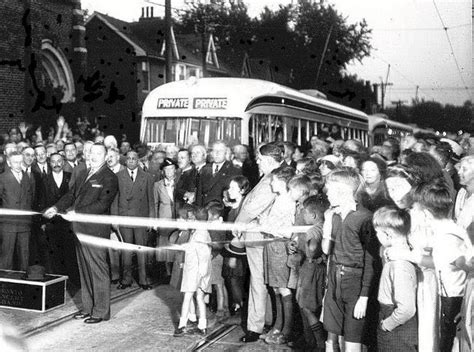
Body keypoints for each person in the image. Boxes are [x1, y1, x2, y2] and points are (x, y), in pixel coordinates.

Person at [386, 180, 472, 352]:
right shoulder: (443, 230)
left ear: (426, 213)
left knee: (445, 340)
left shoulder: (447, 234)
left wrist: (404, 254)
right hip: (447, 293)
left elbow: (437, 261)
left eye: (416, 208)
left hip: (451, 296)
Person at [44, 143, 118, 324]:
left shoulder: (109, 177)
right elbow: (71, 195)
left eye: (98, 153)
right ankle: (88, 308)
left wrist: (77, 213)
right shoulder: (85, 173)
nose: (93, 156)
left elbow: (102, 204)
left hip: (95, 231)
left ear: (106, 156)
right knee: (84, 270)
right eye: (91, 153)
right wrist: (56, 207)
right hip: (79, 229)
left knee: (98, 270)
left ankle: (100, 312)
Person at [322, 168, 380, 352]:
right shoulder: (336, 216)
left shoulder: (365, 218)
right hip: (335, 277)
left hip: (355, 282)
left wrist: (363, 296)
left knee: (352, 339)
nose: (327, 193)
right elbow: (326, 250)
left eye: (330, 189)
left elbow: (371, 261)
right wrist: (327, 222)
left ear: (345, 190)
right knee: (331, 338)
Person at [233, 143, 282, 343]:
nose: (258, 163)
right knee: (264, 281)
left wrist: (237, 225)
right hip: (262, 236)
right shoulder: (272, 175)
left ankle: (255, 326)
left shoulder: (272, 178)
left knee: (258, 281)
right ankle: (267, 320)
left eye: (260, 159)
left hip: (258, 237)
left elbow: (253, 208)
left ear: (269, 160)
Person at [260, 167, 296, 345]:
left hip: (279, 244)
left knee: (283, 288)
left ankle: (286, 330)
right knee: (275, 288)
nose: (271, 183)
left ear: (282, 182)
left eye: (273, 180)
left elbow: (274, 226)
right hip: (271, 244)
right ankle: (277, 325)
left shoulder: (286, 201)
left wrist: (263, 222)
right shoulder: (279, 199)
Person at [373, 206, 417, 352]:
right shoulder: (395, 257)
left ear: (388, 234)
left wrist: (387, 324)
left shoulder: (399, 265)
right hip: (393, 322)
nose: (376, 236)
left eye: (377, 232)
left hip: (396, 327)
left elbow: (407, 309)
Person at [288, 195, 328, 352]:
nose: (302, 215)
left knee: (306, 307)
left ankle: (319, 342)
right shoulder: (324, 226)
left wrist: (300, 248)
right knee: (310, 306)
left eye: (304, 212)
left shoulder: (313, 230)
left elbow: (311, 251)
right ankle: (311, 341)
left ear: (314, 215)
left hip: (310, 271)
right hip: (316, 270)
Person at [112, 151, 155, 290]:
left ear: (138, 161)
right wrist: (114, 218)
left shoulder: (147, 177)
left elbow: (151, 200)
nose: (131, 161)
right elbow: (114, 200)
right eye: (129, 159)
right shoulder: (118, 177)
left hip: (141, 218)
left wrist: (151, 220)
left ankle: (144, 280)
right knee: (126, 251)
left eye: (134, 159)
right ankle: (126, 279)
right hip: (124, 217)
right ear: (125, 162)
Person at [174, 207, 212, 337]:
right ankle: (202, 326)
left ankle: (182, 325)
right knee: (200, 298)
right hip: (198, 271)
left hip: (195, 272)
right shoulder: (202, 232)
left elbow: (203, 254)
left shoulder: (199, 234)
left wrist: (201, 272)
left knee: (187, 298)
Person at [0, 151, 35, 270]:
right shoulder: (2, 178)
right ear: (9, 163)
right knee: (6, 258)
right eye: (15, 162)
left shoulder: (27, 176)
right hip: (8, 224)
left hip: (24, 224)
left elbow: (31, 198)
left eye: (21, 162)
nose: (19, 165)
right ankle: (4, 286)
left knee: (24, 258)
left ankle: (23, 287)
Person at [222, 176, 250, 317]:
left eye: (233, 188)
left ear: (243, 190)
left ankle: (240, 311)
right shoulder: (233, 206)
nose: (229, 190)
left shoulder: (244, 208)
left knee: (235, 280)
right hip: (230, 248)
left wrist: (233, 254)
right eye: (229, 187)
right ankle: (238, 308)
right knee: (231, 279)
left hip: (237, 250)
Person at [196, 141, 241, 206]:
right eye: (215, 151)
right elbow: (199, 194)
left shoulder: (234, 170)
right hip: (204, 210)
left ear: (226, 153)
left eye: (220, 151)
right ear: (211, 153)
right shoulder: (204, 169)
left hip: (221, 210)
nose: (217, 153)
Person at [154, 158, 178, 276]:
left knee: (176, 243)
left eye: (172, 169)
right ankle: (167, 271)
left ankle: (175, 271)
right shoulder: (157, 185)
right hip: (164, 219)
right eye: (166, 169)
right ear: (163, 171)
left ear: (175, 170)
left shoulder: (180, 183)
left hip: (177, 218)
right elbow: (154, 203)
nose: (169, 172)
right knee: (165, 245)